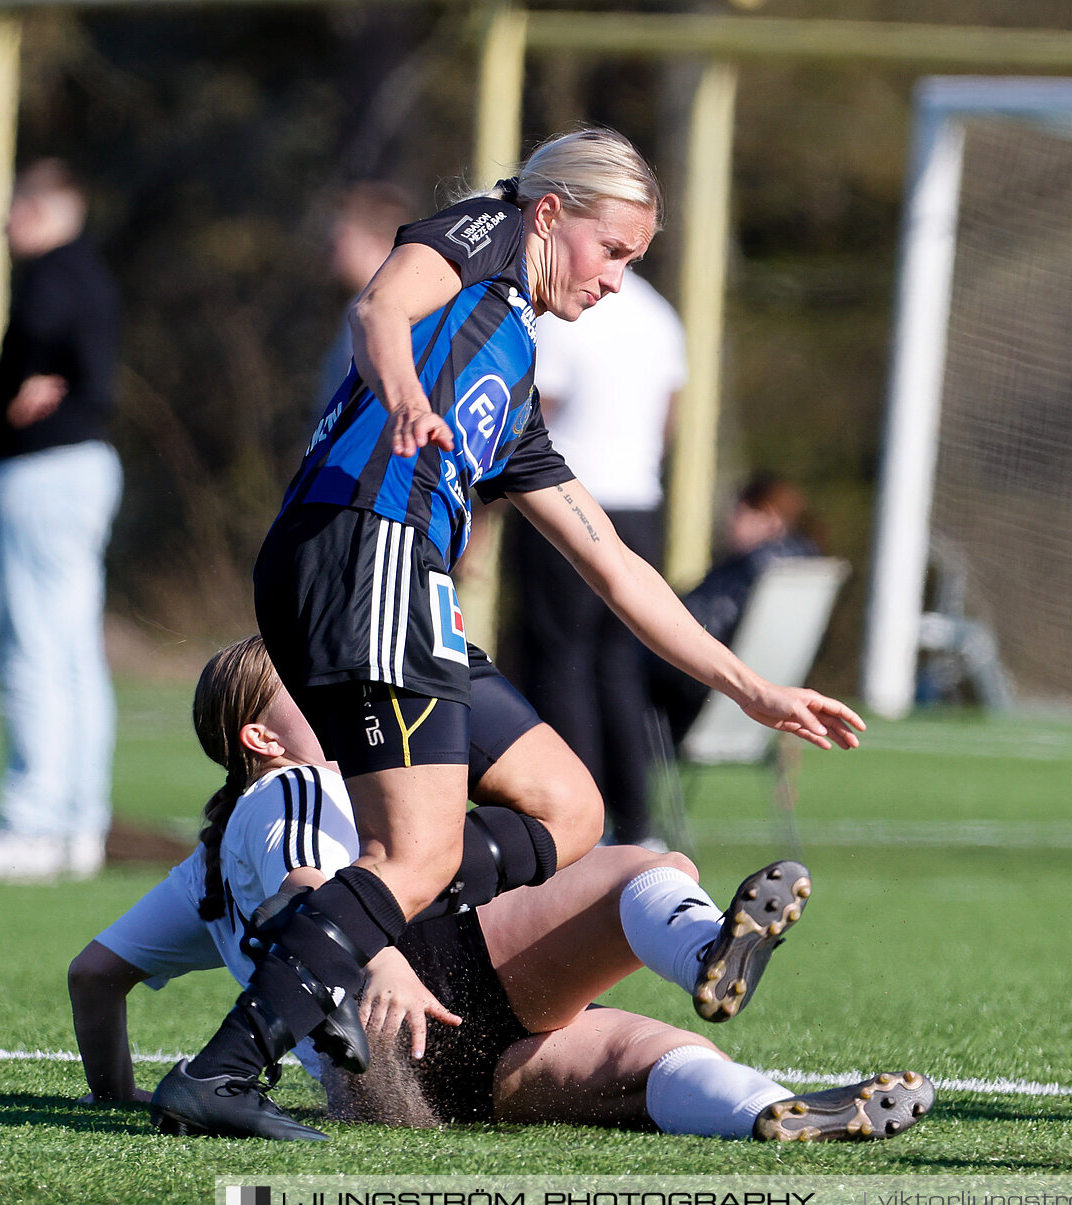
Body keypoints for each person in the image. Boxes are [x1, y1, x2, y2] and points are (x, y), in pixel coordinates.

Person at [151, 128, 865, 1140]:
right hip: (368, 550)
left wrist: (752, 688)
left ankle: (387, 903)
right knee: (415, 850)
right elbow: (380, 306)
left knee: (569, 806)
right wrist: (402, 396)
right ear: (550, 215)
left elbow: (614, 565)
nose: (618, 280)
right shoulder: (481, 233)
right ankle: (224, 1073)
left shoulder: (512, 373)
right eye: (611, 251)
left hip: (397, 575)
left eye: (635, 262)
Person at [72, 639, 931, 1143]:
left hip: (420, 1083)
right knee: (642, 867)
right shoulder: (292, 788)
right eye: (304, 684)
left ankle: (763, 1113)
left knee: (645, 1065)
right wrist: (384, 963)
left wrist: (116, 1097)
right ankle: (708, 948)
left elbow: (94, 975)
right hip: (424, 989)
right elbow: (308, 884)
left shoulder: (205, 867)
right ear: (260, 735)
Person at [0, 159, 123, 883]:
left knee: (34, 649)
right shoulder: (90, 273)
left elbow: (50, 335)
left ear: (40, 210)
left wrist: (42, 368)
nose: (3, 226)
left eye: (12, 211)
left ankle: (33, 823)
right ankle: (78, 823)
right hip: (76, 473)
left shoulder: (54, 272)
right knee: (72, 649)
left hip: (44, 475)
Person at [512, 269, 685, 848]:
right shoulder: (661, 314)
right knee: (618, 668)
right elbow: (669, 416)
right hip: (639, 503)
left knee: (563, 662)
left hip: (568, 499)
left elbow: (534, 411)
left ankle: (581, 823)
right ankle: (636, 824)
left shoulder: (567, 312)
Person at [649, 473, 825, 745]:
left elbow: (692, 626)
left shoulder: (750, 570)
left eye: (738, 515)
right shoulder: (802, 570)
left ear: (767, 517)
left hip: (693, 697)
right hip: (737, 700)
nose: (730, 524)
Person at [312, 182, 414, 422]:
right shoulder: (362, 307)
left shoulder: (374, 313)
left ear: (375, 241)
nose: (331, 248)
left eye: (343, 236)